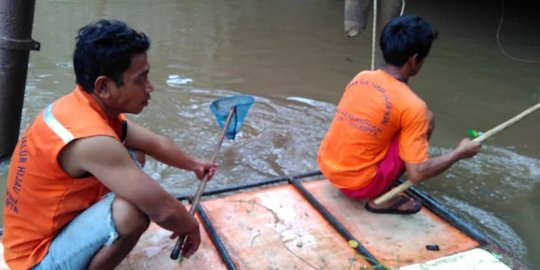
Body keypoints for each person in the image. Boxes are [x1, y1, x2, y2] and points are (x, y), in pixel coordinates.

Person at [2, 19, 218, 269]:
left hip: (36, 236)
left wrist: (195, 165)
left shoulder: (79, 107)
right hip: (36, 260)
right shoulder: (91, 139)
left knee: (135, 154)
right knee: (133, 213)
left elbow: (154, 142)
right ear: (103, 86)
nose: (150, 87)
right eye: (140, 79)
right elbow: (163, 210)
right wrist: (191, 227)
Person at [317, 15, 481, 215]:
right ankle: (381, 198)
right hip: (358, 186)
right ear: (414, 60)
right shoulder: (414, 106)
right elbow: (417, 174)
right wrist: (459, 153)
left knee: (402, 122)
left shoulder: (362, 77)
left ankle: (370, 177)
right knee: (426, 120)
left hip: (328, 168)